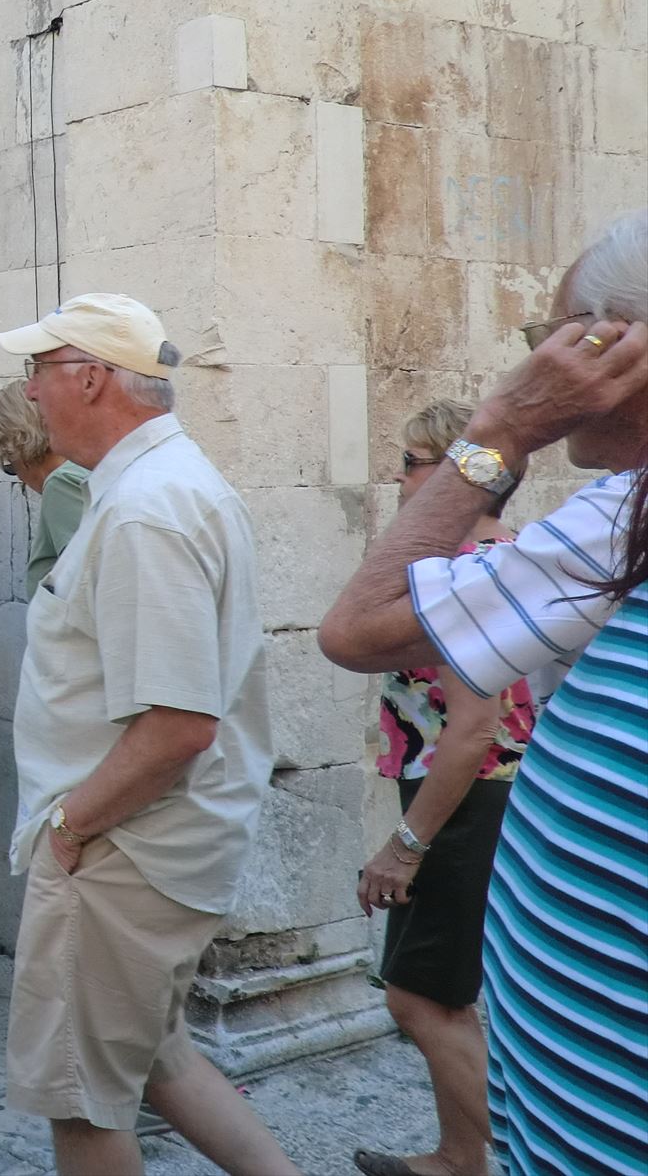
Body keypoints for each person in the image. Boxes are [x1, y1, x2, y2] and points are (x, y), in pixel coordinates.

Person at [320, 209, 648, 1176]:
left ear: (617, 346)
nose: (536, 360)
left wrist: (499, 431)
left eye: (551, 335)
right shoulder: (620, 515)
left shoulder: (615, 512)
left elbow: (358, 630)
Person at [0, 294, 295, 1176]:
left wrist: (68, 827)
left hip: (122, 848)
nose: (31, 391)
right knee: (159, 1058)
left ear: (90, 377)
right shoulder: (159, 485)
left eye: (40, 370)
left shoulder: (144, 510)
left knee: (81, 1099)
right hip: (149, 843)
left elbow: (175, 726)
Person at [348, 399, 530, 1176]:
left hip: (465, 794)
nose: (399, 477)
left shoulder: (462, 570)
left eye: (412, 462)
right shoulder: (505, 553)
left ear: (462, 474)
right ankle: (459, 1157)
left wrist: (405, 845)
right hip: (478, 792)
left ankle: (550, 1155)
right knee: (443, 993)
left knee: (417, 998)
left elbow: (472, 728)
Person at [0, 380, 90, 597]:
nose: (21, 478)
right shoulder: (86, 466)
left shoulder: (61, 484)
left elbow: (87, 583)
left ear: (15, 448)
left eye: (9, 464)